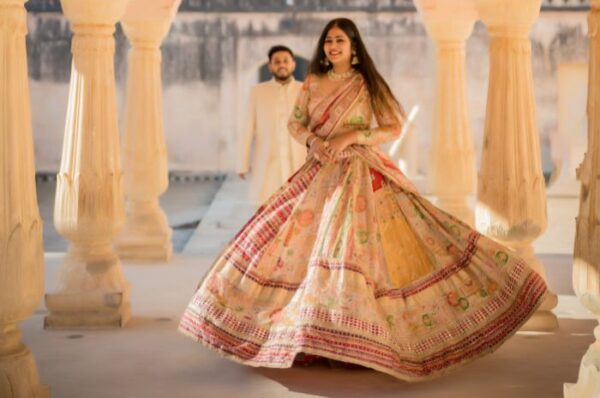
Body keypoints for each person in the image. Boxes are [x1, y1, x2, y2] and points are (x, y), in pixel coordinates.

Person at [179, 18, 547, 382]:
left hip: (361, 173)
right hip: (318, 172)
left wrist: (351, 137)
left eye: (340, 40)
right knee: (294, 246)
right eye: (328, 41)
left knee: (356, 251)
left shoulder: (366, 84)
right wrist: (314, 141)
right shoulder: (313, 82)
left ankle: (358, 339)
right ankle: (314, 338)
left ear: (354, 48)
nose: (333, 47)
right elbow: (295, 124)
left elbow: (392, 126)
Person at [237, 45, 307, 204]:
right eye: (277, 62)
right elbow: (247, 129)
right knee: (265, 206)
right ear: (270, 66)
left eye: (285, 61)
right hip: (267, 163)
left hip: (297, 161)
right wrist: (242, 163)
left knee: (298, 209)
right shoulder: (257, 92)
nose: (281, 64)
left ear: (293, 64)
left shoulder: (304, 90)